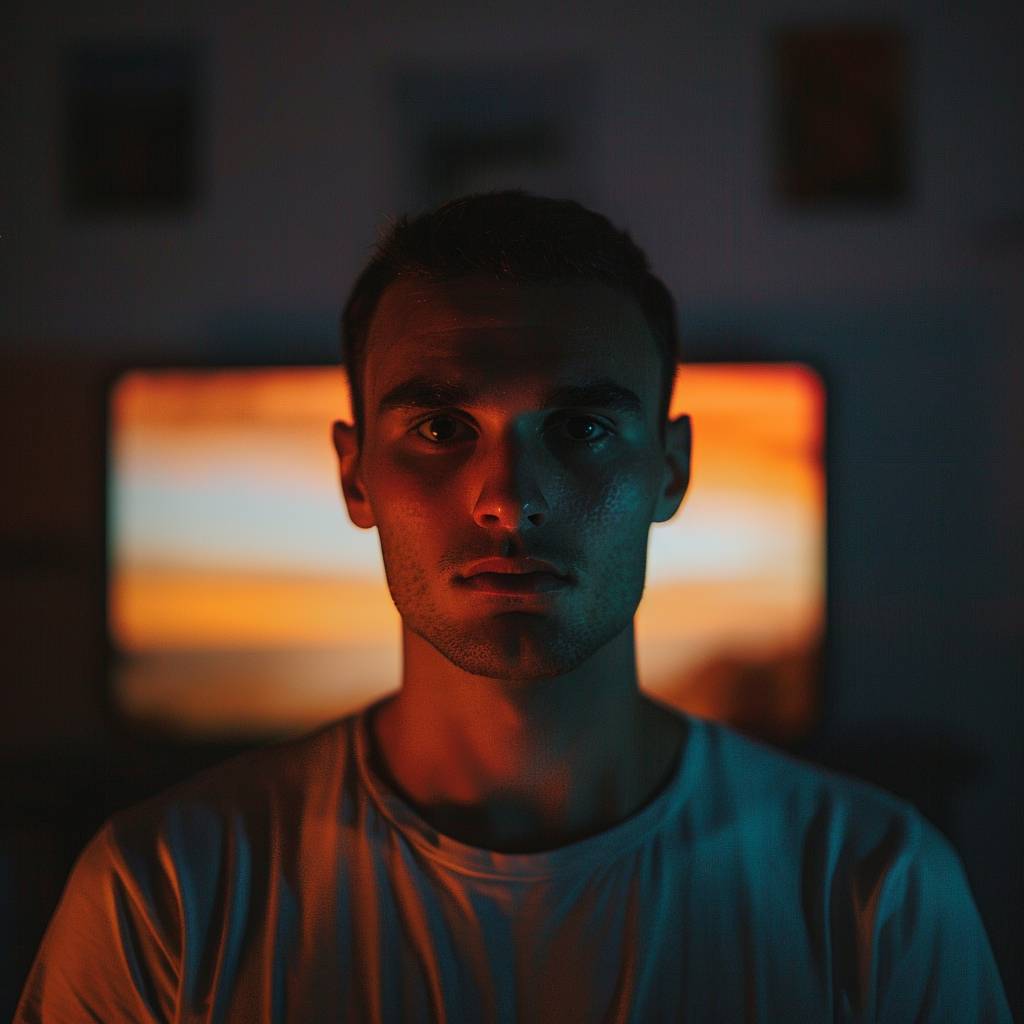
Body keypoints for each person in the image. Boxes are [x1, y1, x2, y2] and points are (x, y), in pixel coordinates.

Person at [16, 191, 1011, 1022]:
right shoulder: (163, 895)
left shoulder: (873, 887)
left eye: (579, 425)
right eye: (443, 425)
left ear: (670, 470)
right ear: (354, 476)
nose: (507, 496)